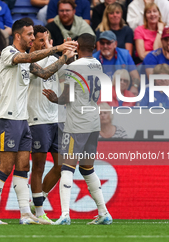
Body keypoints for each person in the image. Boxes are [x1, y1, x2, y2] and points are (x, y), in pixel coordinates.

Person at [0, 18, 77, 225]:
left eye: (34, 35)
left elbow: (44, 73)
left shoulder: (26, 60)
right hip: (8, 118)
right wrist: (56, 48)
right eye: (30, 35)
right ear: (18, 36)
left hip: (22, 120)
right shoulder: (8, 53)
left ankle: (25, 213)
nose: (33, 38)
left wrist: (65, 56)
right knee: (6, 167)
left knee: (23, 167)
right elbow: (30, 58)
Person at [42, 33, 112, 225]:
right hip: (93, 122)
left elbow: (67, 96)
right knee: (87, 168)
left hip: (77, 123)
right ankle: (104, 212)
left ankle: (65, 214)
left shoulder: (73, 68)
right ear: (95, 47)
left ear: (77, 46)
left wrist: (55, 99)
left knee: (67, 167)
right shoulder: (97, 64)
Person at [28, 25, 65, 224]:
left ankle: (36, 199)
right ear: (32, 41)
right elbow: (43, 73)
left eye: (46, 40)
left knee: (62, 165)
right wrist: (64, 55)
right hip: (37, 120)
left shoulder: (55, 61)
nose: (44, 44)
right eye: (40, 40)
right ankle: (39, 211)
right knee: (38, 167)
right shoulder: (26, 59)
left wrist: (58, 99)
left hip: (56, 119)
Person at [92, 31, 140, 95]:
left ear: (115, 44)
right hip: (102, 94)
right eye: (102, 43)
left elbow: (135, 76)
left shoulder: (125, 55)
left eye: (108, 43)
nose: (105, 46)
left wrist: (135, 86)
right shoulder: (93, 59)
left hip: (122, 92)